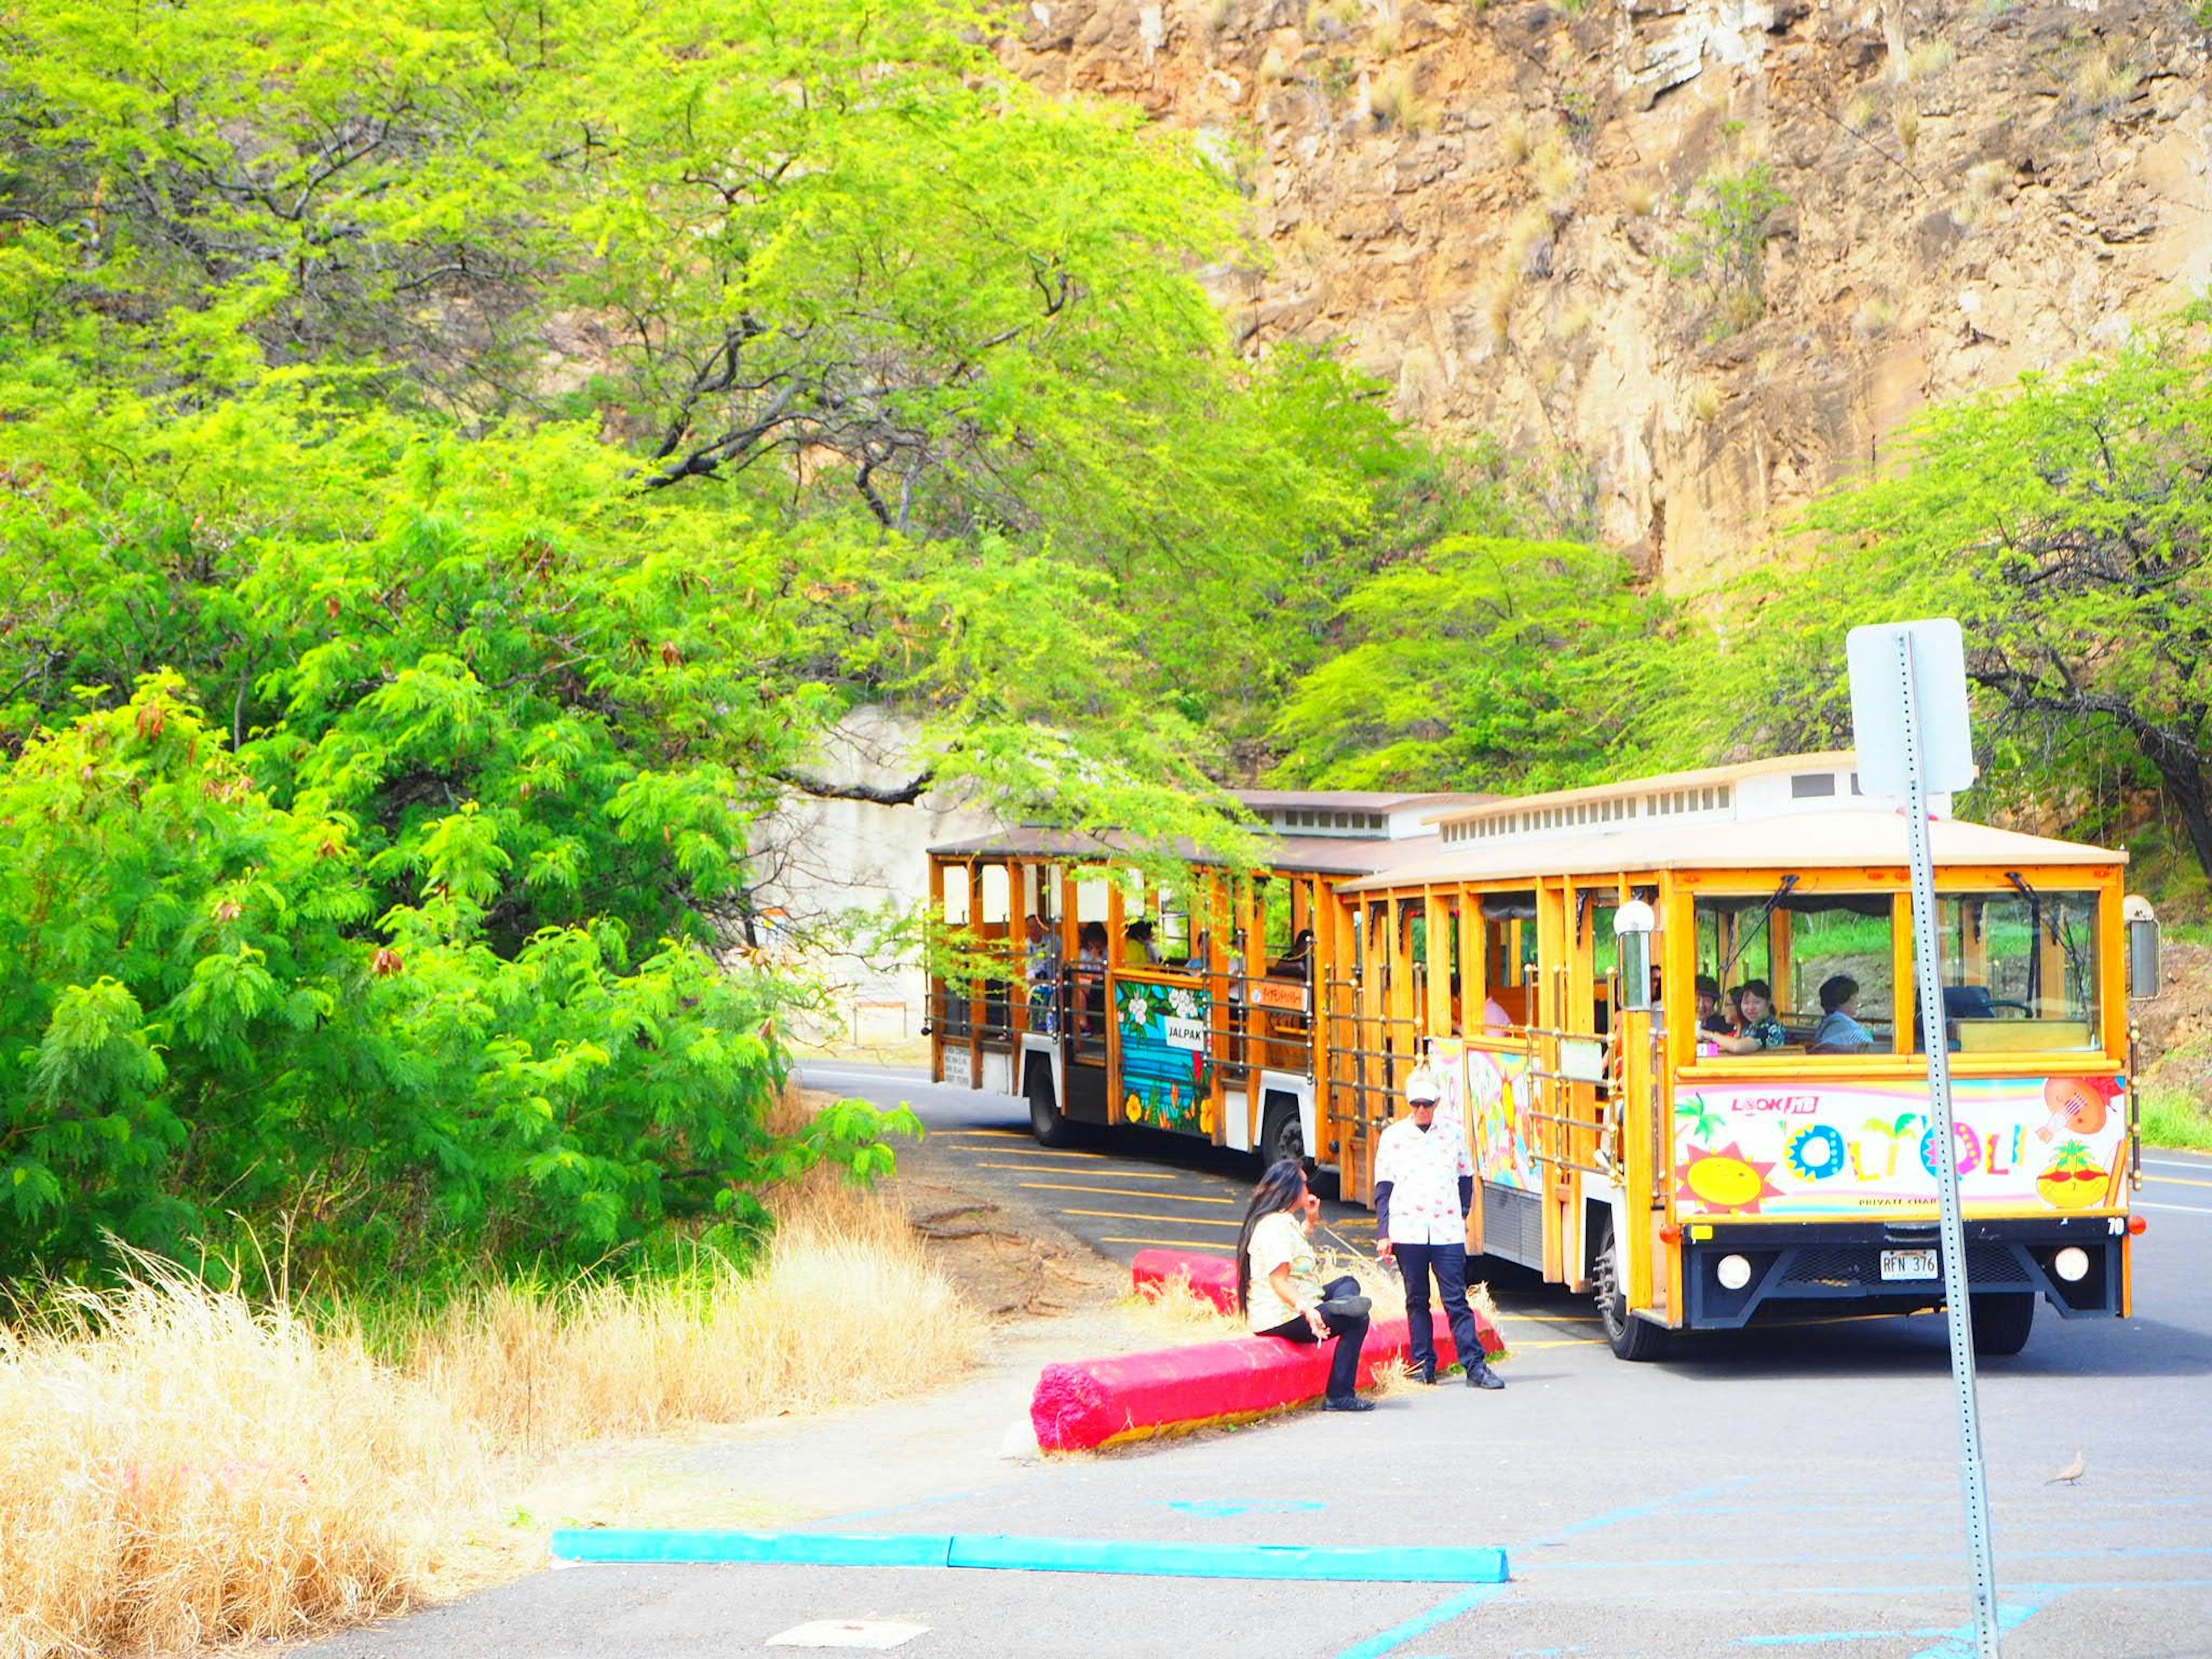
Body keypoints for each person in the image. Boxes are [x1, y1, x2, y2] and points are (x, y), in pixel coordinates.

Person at [1373, 1071, 1503, 1390]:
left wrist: (1461, 1213)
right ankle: (1423, 1364)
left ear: (1437, 1104)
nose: (1421, 1110)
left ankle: (1474, 1365)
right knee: (1416, 1299)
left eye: (1427, 1104)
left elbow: (1465, 1176)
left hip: (1445, 1229)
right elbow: (1384, 1187)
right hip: (1409, 1228)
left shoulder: (1453, 1133)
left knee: (1455, 1299)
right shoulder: (1393, 1137)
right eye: (1416, 1104)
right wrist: (1384, 1231)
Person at [1237, 1158, 1374, 1412]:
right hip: (1281, 1316)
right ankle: (1339, 1395)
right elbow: (1278, 1280)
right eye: (1302, 1183)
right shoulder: (1274, 1227)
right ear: (1288, 1188)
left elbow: (1295, 1253)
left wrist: (1310, 1222)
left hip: (1301, 1301)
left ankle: (1339, 1305)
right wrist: (1308, 1310)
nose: (1307, 1188)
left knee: (1347, 1282)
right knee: (1358, 1320)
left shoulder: (1283, 1221)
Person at [1715, 979, 1787, 1054]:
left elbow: (1738, 1047)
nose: (1751, 1008)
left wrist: (1712, 1035)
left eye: (1757, 1002)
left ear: (1768, 1003)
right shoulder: (1752, 1027)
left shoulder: (1770, 1028)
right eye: (1746, 1003)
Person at [1812, 974, 1875, 1052]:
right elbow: (1871, 1051)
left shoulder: (1826, 1026)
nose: (1857, 1002)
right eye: (1854, 998)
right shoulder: (1848, 1027)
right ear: (1843, 1000)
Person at [1024, 914, 1062, 1035]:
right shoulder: (1025, 946)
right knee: (1037, 992)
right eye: (1030, 927)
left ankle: (1052, 1025)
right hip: (1034, 983)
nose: (1034, 931)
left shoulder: (1053, 941)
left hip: (1053, 981)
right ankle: (1036, 1025)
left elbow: (1063, 958)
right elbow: (1028, 976)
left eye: (1037, 927)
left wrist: (1059, 972)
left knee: (1057, 991)